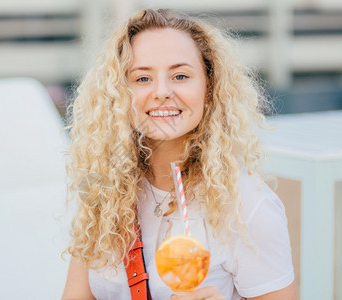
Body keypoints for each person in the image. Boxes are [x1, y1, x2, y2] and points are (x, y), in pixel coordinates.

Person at [62, 8, 297, 300]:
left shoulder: (245, 205)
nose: (161, 91)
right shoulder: (104, 189)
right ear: (119, 93)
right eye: (142, 78)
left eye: (181, 75)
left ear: (209, 88)